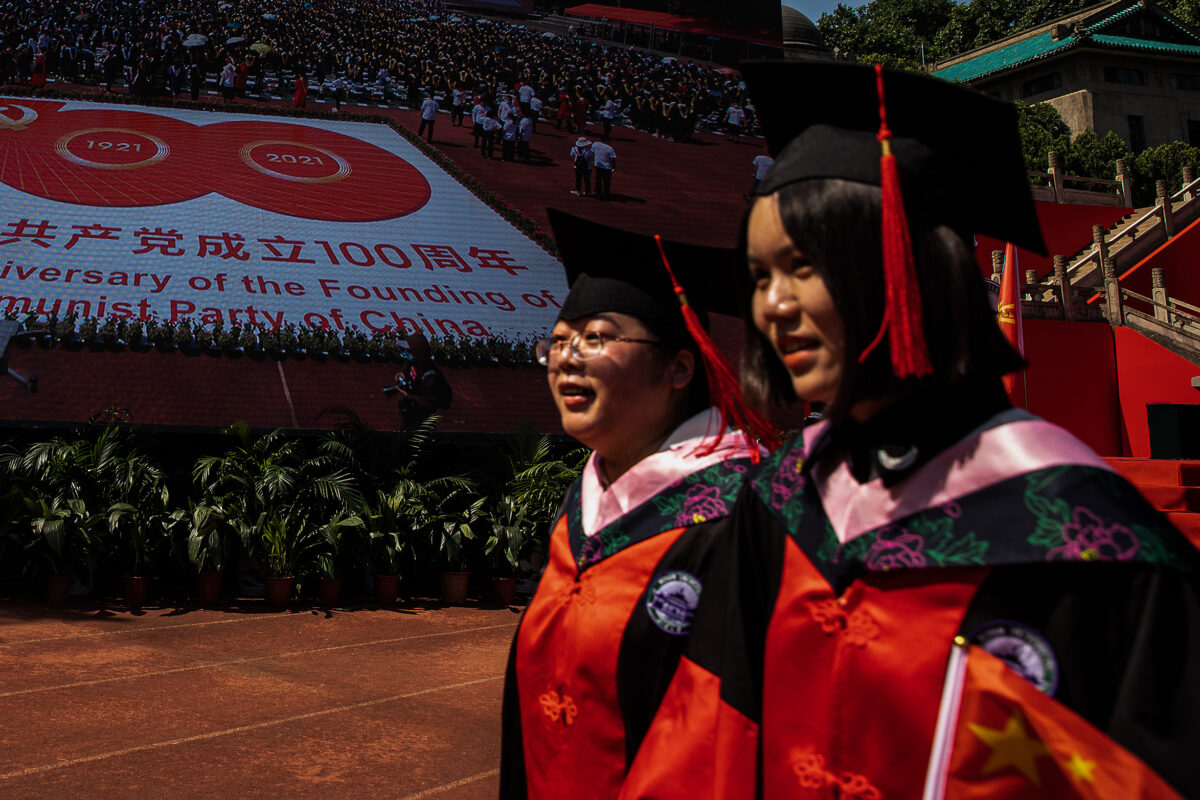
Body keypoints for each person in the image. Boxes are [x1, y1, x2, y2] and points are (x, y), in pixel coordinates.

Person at [734, 61, 1200, 798]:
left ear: (905, 267)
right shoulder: (778, 501)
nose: (773, 306)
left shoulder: (1084, 535)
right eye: (760, 276)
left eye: (801, 267)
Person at [500, 209, 775, 799]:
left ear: (679, 366)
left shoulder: (741, 514)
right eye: (557, 342)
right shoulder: (585, 502)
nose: (566, 357)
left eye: (595, 338)